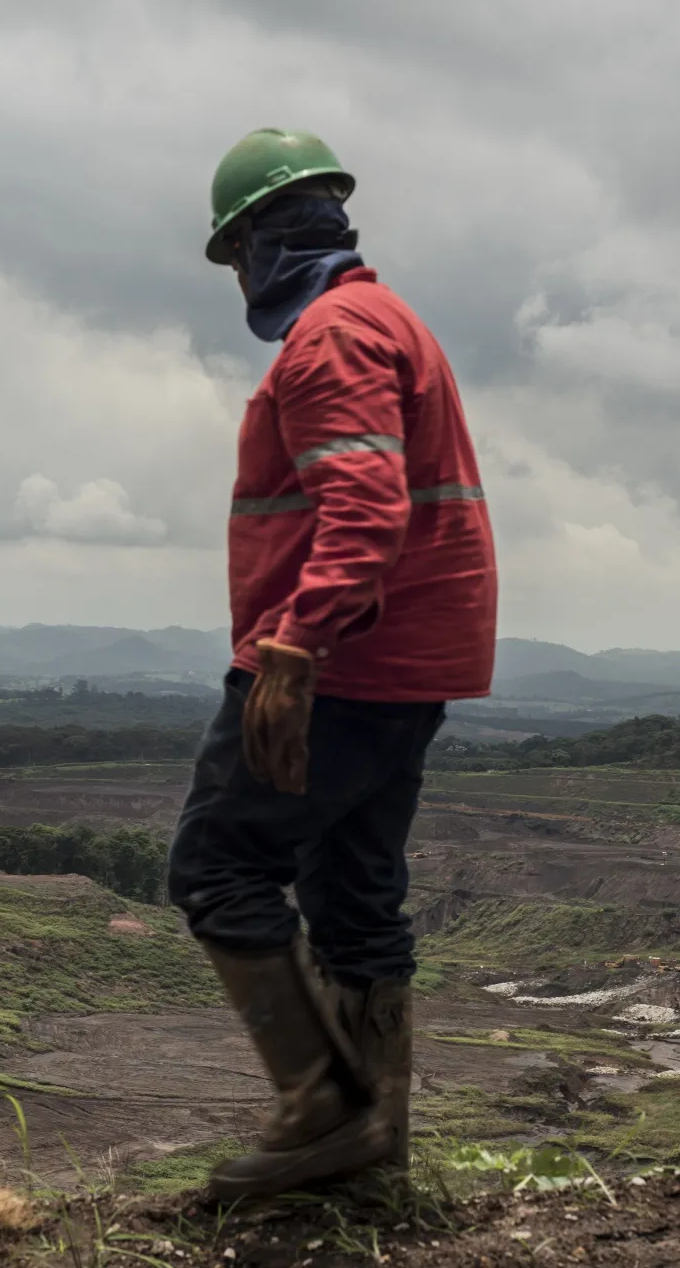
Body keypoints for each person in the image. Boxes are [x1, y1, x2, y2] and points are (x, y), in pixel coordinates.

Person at [165, 128, 498, 1200]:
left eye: (233, 255)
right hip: (407, 661)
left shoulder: (330, 339)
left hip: (342, 660)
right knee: (356, 897)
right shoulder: (390, 319)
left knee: (217, 867)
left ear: (259, 236)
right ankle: (372, 1155)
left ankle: (321, 1112)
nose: (237, 277)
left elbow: (362, 508)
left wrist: (292, 650)